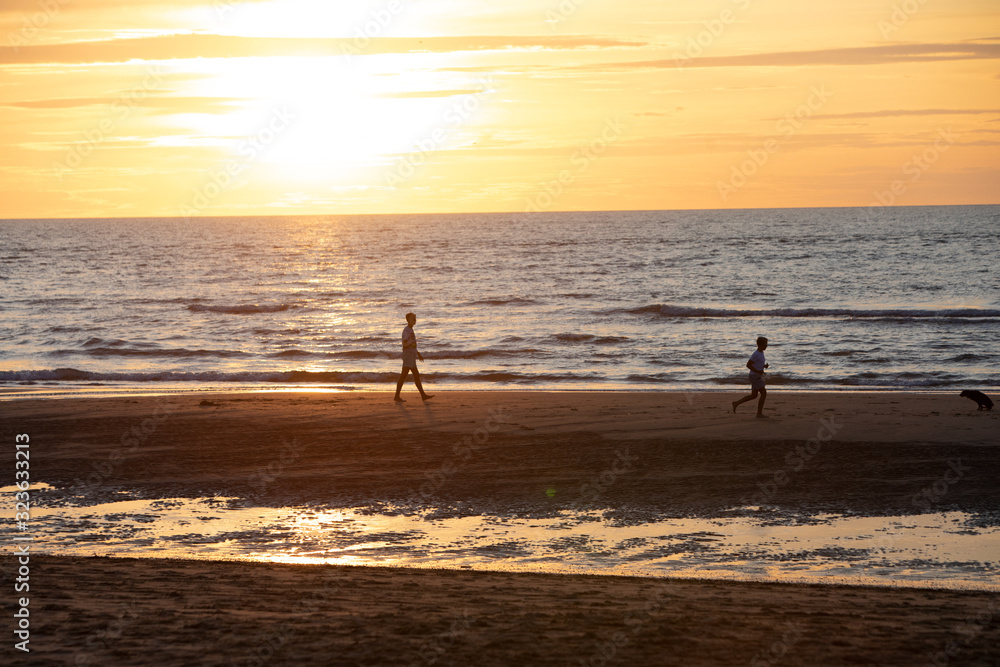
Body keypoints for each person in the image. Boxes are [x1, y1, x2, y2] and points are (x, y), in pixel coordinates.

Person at [394, 312, 433, 402]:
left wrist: (418, 353)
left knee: (415, 375)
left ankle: (423, 395)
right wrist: (410, 346)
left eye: (415, 318)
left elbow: (412, 345)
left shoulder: (410, 330)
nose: (415, 320)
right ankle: (397, 396)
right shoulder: (406, 330)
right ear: (408, 320)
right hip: (408, 356)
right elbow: (404, 344)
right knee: (404, 375)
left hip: (411, 356)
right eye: (413, 318)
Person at [732, 336, 769, 418]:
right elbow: (748, 365)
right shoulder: (756, 354)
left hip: (755, 376)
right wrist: (758, 371)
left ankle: (736, 403)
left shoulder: (761, 353)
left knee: (754, 395)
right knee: (764, 393)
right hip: (755, 376)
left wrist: (763, 366)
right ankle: (759, 414)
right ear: (761, 345)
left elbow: (758, 364)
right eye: (765, 344)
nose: (767, 346)